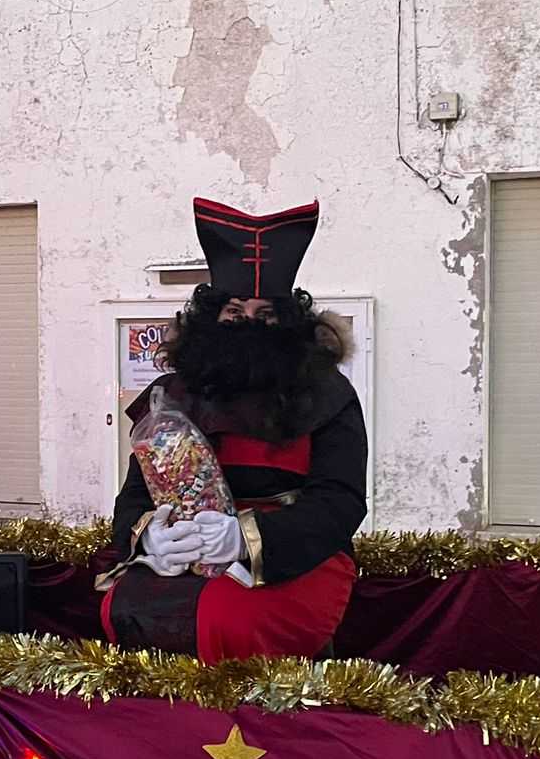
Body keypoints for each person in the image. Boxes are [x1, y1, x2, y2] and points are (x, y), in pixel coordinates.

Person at [101, 198, 368, 662]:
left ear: (287, 324)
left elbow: (340, 502)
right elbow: (135, 497)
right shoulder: (172, 395)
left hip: (294, 554)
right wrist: (149, 537)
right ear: (213, 319)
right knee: (120, 608)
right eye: (235, 312)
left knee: (224, 619)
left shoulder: (328, 393)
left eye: (265, 316)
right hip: (186, 554)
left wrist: (246, 539)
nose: (249, 325)